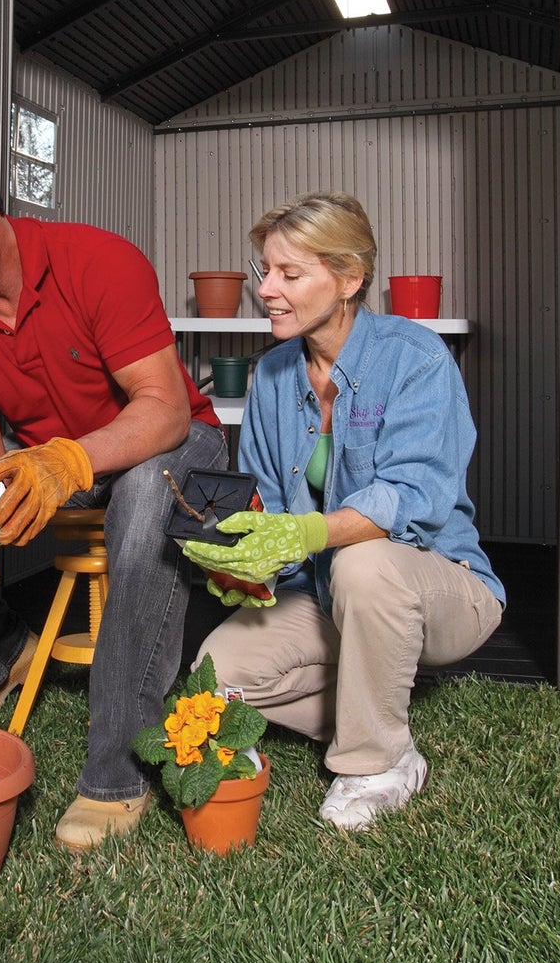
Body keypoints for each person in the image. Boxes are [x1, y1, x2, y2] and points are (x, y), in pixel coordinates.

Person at [0, 128, 227, 850]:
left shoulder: (99, 262)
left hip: (171, 445)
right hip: (51, 465)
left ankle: (115, 774)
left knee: (143, 495)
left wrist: (67, 462)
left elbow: (163, 407)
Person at [180, 192, 504, 831]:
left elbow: (410, 499)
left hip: (439, 585)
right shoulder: (273, 374)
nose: (266, 289)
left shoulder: (416, 360)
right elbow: (273, 502)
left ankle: (376, 761)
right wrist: (250, 566)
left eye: (289, 274)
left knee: (363, 563)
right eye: (263, 271)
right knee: (214, 680)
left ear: (350, 279)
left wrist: (302, 532)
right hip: (327, 591)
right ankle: (376, 708)